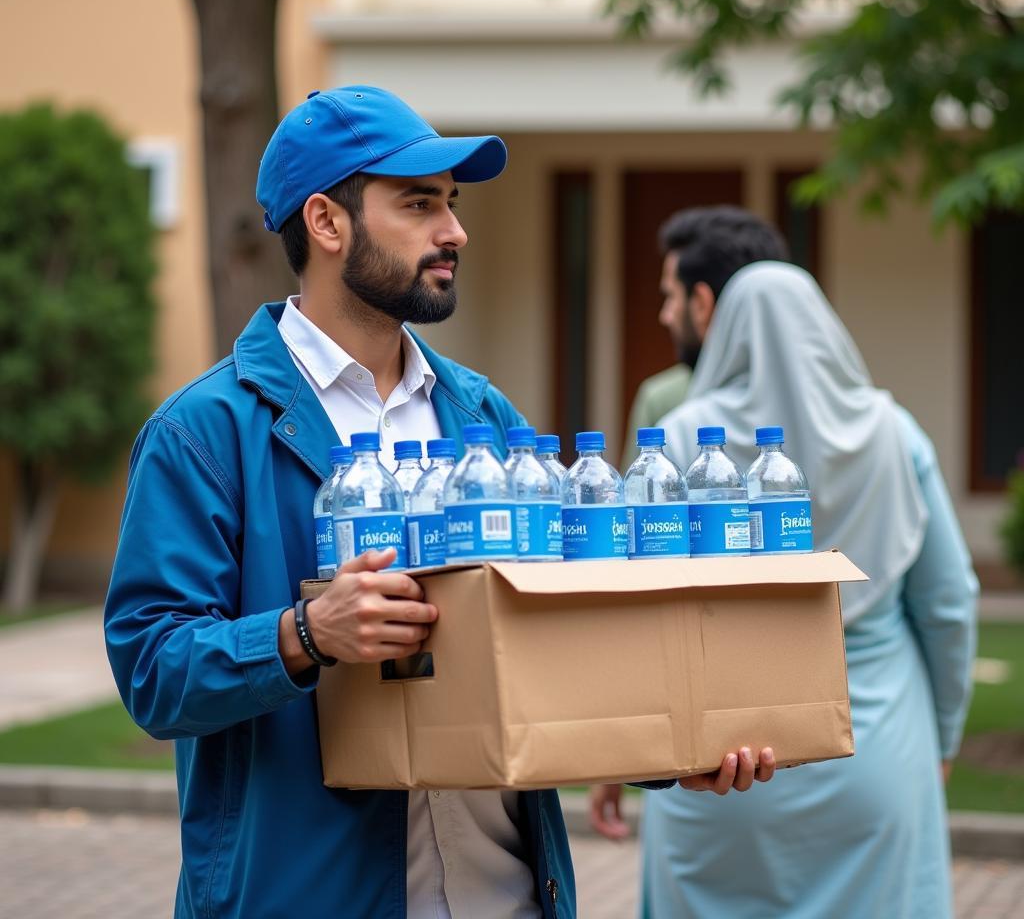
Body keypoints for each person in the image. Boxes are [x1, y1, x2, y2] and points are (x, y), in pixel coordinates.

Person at [104, 86, 773, 919]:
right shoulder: (203, 432)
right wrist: (304, 634)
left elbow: (551, 646)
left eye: (451, 205)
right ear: (326, 222)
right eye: (419, 203)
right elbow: (152, 671)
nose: (453, 230)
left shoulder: (486, 417)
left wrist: (677, 750)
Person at [597, 255, 978, 918]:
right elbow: (948, 604)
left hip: (722, 761)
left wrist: (623, 748)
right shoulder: (894, 431)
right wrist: (942, 741)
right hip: (874, 746)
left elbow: (640, 607)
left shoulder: (683, 436)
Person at [620, 206, 788, 471]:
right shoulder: (834, 406)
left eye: (671, 296)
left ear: (700, 304)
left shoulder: (667, 406)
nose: (665, 316)